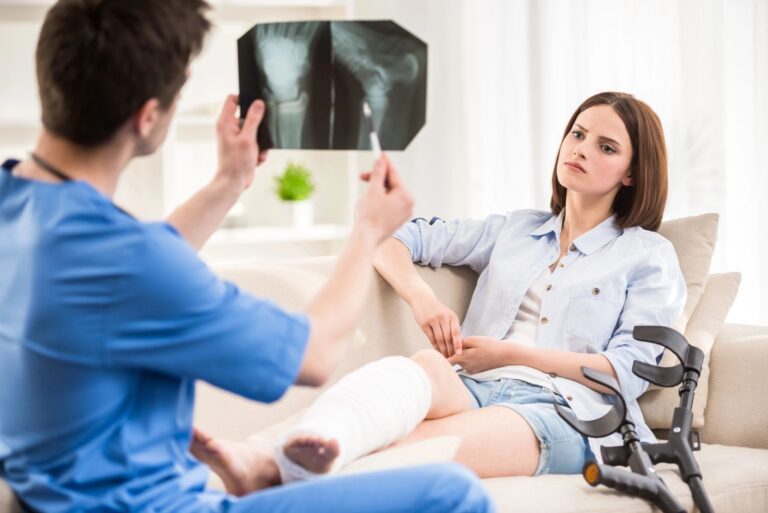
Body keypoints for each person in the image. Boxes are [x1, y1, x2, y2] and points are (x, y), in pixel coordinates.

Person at [0, 1, 496, 512]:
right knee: (452, 493)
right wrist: (368, 232)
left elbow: (126, 267)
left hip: (41, 495)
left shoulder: (23, 207)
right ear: (148, 116)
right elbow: (314, 354)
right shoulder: (129, 262)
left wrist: (227, 183)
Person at [193, 91, 687, 488]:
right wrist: (422, 299)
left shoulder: (647, 256)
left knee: (396, 448)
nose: (580, 148)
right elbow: (390, 239)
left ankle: (271, 471)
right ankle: (256, 454)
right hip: (472, 387)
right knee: (420, 365)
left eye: (606, 146)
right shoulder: (515, 231)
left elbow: (627, 373)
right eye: (577, 134)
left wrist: (507, 354)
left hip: (570, 413)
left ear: (632, 173)